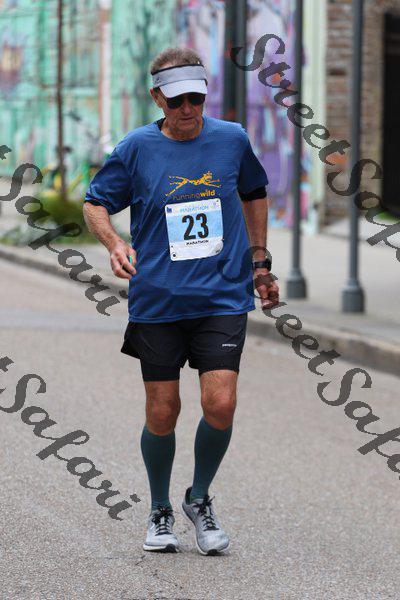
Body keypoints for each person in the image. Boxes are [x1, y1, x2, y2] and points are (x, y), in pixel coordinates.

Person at [83, 46, 279, 556]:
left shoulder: (232, 139)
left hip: (222, 295)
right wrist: (114, 243)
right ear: (157, 98)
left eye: (196, 98)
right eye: (176, 101)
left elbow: (255, 192)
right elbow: (95, 203)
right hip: (159, 301)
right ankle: (159, 508)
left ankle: (198, 498)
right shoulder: (136, 148)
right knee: (163, 410)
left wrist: (259, 261)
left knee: (221, 403)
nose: (188, 109)